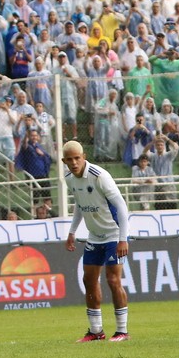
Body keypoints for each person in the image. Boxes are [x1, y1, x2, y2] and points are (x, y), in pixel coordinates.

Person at [62, 141, 131, 342]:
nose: (74, 163)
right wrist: (72, 231)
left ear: (83, 156)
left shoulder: (99, 176)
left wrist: (123, 239)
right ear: (64, 161)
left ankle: (122, 331)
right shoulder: (69, 178)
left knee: (113, 280)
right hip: (94, 237)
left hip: (113, 235)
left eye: (77, 158)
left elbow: (121, 206)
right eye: (70, 159)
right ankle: (96, 331)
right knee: (89, 280)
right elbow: (80, 203)